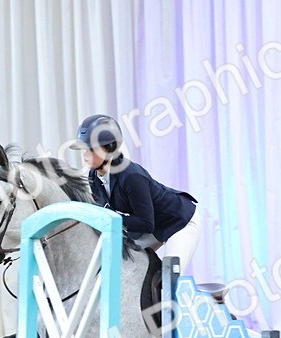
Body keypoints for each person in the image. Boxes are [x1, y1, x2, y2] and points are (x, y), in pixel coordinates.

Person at [75, 114, 204, 275]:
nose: (84, 154)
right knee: (122, 264)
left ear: (109, 148)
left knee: (169, 279)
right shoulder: (94, 177)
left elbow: (145, 223)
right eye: (83, 149)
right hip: (153, 227)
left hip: (180, 222)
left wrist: (110, 219)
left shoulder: (131, 176)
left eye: (91, 149)